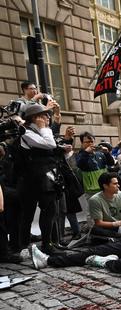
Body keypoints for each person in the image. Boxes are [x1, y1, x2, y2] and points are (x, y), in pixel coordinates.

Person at [16, 104, 71, 254]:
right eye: (45, 115)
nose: (48, 118)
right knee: (27, 214)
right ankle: (24, 246)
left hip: (47, 178)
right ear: (36, 118)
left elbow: (51, 150)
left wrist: (63, 151)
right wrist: (44, 129)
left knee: (50, 211)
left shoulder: (41, 131)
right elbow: (49, 144)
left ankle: (49, 244)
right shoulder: (26, 133)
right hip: (31, 180)